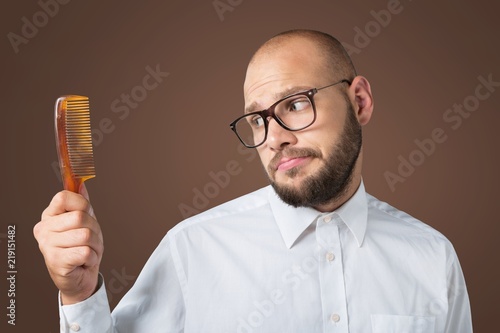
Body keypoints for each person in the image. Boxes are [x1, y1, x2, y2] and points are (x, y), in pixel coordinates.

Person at [34, 29, 473, 333]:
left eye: (296, 104)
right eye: (258, 120)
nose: (275, 138)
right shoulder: (194, 250)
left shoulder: (433, 259)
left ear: (359, 101)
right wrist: (80, 294)